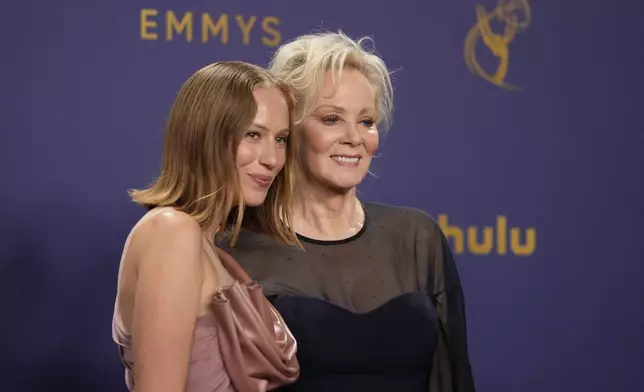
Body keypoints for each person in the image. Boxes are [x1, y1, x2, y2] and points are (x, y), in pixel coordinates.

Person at [217, 32, 476, 392]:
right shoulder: (231, 248)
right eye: (331, 119)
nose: (355, 137)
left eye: (367, 121)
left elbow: (452, 379)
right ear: (289, 129)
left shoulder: (417, 237)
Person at [111, 61, 300, 392]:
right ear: (206, 136)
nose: (272, 158)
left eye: (281, 139)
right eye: (253, 134)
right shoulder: (172, 232)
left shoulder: (209, 246)